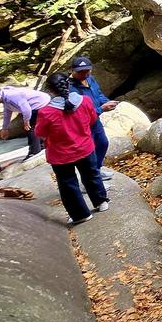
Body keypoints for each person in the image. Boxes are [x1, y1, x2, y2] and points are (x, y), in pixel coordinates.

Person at [36, 74, 109, 225]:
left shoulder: (46, 112)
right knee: (92, 175)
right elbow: (92, 119)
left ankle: (80, 214)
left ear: (49, 90)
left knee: (68, 184)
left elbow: (40, 133)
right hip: (85, 148)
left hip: (61, 155)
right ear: (68, 85)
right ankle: (101, 202)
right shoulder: (85, 101)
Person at [68, 56, 118, 180]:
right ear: (72, 71)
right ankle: (90, 180)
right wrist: (101, 109)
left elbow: (98, 94)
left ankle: (97, 170)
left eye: (87, 70)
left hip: (95, 120)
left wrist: (107, 102)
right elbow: (78, 112)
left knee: (102, 143)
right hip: (82, 125)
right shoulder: (70, 88)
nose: (85, 74)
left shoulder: (90, 79)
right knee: (88, 151)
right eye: (81, 72)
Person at [0, 85, 50, 156]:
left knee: (30, 128)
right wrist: (4, 128)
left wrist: (26, 121)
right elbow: (7, 114)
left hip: (41, 103)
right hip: (38, 103)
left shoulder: (10, 97)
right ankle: (40, 145)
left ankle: (34, 151)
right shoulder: (3, 97)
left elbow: (26, 109)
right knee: (32, 127)